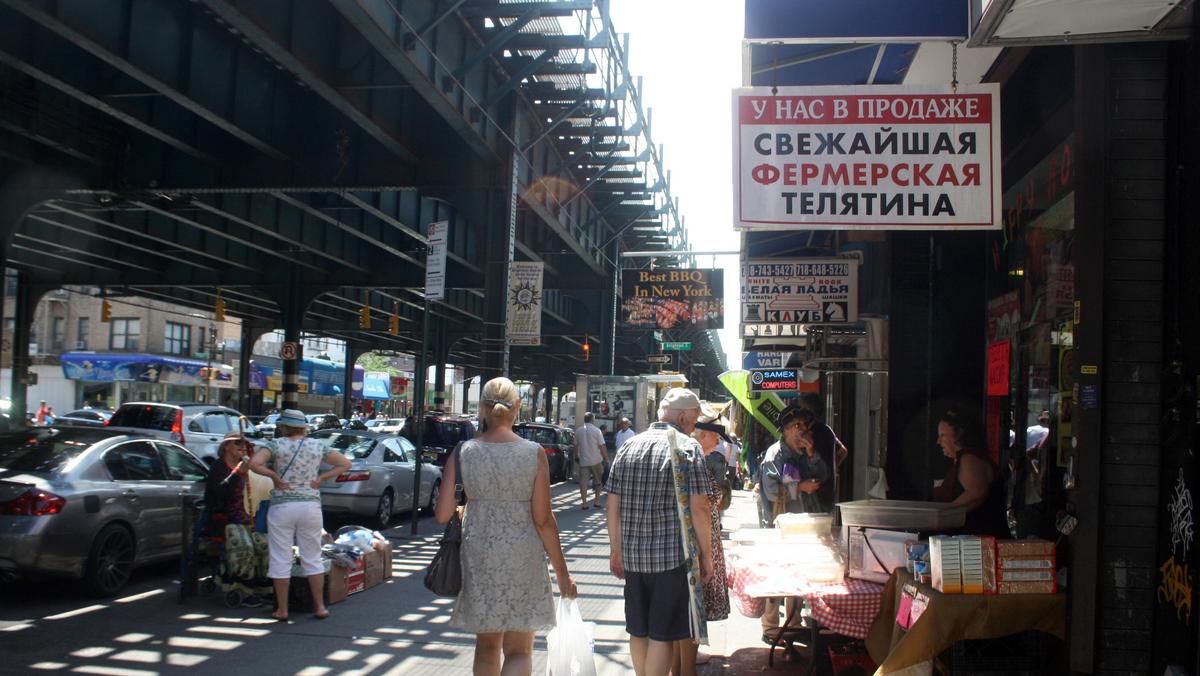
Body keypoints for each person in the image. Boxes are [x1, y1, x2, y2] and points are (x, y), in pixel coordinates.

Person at [435, 377, 576, 676]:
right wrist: (562, 574)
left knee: (486, 647)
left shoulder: (464, 450)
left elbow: (443, 513)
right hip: (523, 557)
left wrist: (469, 505)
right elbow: (543, 518)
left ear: (483, 409)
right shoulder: (532, 452)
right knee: (519, 649)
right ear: (518, 408)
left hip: (479, 555)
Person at [606, 388, 714, 676]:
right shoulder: (688, 448)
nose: (693, 427)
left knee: (638, 631)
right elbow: (700, 508)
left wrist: (615, 549)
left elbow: (612, 503)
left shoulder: (629, 446)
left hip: (632, 558)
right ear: (682, 417)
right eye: (692, 421)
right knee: (662, 635)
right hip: (672, 559)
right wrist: (707, 556)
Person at [249, 409, 351, 622]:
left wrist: (274, 476)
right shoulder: (317, 446)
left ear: (283, 426)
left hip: (282, 507)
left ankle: (283, 609)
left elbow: (254, 464)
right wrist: (322, 477)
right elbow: (345, 464)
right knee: (312, 556)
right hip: (310, 506)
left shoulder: (276, 445)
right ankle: (320, 607)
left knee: (280, 557)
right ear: (304, 427)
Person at [756, 404, 830, 635]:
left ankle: (794, 622)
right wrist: (801, 487)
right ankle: (770, 625)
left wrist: (811, 455)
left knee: (798, 574)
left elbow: (825, 475)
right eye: (797, 426)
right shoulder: (775, 455)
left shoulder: (804, 452)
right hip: (780, 525)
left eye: (804, 426)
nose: (802, 431)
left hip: (803, 524)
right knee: (777, 574)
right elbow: (771, 491)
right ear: (785, 430)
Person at [204, 432, 272, 605]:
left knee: (265, 545)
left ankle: (262, 588)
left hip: (248, 519)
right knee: (244, 547)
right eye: (237, 443)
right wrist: (237, 473)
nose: (242, 447)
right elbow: (218, 494)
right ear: (226, 446)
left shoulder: (249, 467)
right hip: (225, 520)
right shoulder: (218, 467)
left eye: (243, 444)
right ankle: (242, 590)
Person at [687, 414, 731, 669]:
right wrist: (706, 552)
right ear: (702, 435)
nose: (718, 443)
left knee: (699, 593)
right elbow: (705, 503)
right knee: (698, 590)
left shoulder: (702, 459)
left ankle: (695, 646)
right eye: (715, 438)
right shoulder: (699, 461)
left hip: (704, 533)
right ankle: (691, 651)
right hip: (701, 535)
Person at [932, 409, 1008, 537]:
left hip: (979, 541)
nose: (938, 441)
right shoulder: (965, 460)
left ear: (958, 435)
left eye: (942, 435)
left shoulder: (969, 459)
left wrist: (943, 514)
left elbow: (976, 493)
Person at [798, 393, 848, 507]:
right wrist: (833, 468)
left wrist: (828, 470)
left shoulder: (812, 434)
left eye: (801, 408)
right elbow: (843, 451)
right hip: (827, 490)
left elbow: (842, 451)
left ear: (808, 412)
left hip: (816, 494)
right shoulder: (827, 429)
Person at [575, 412, 608, 510]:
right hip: (596, 460)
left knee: (583, 483)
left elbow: (575, 446)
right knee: (598, 482)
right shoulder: (597, 431)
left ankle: (584, 503)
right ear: (593, 419)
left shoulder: (578, 431)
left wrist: (576, 457)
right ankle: (596, 501)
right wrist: (606, 459)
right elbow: (602, 446)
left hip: (584, 461)